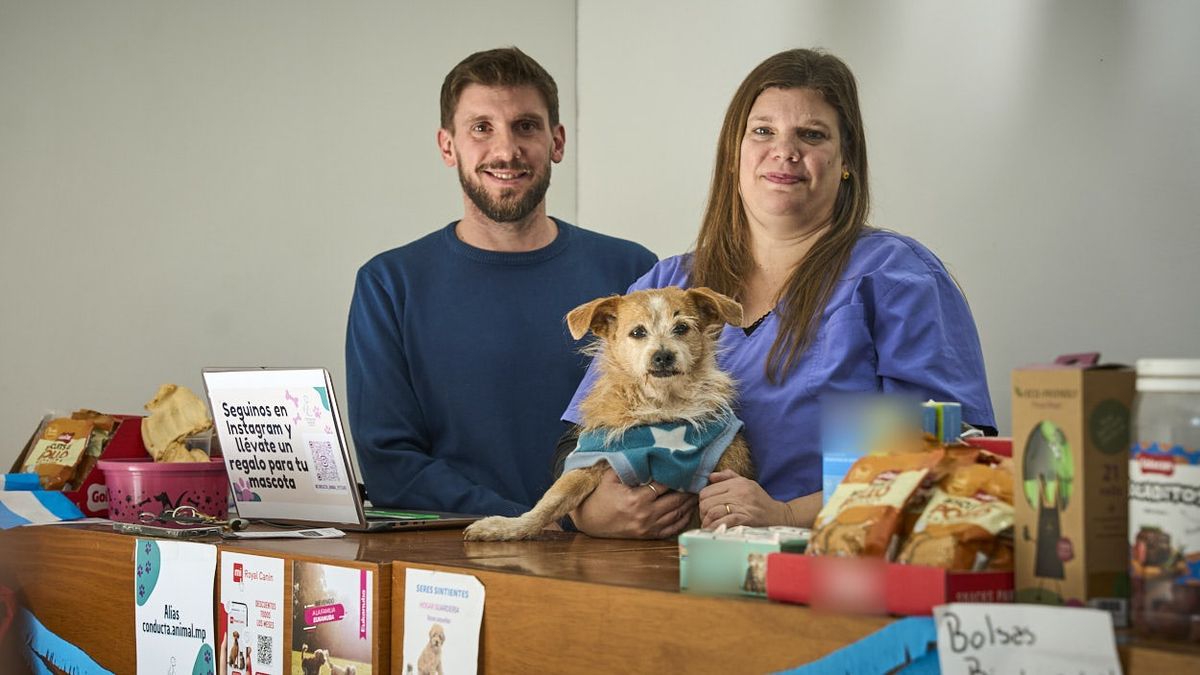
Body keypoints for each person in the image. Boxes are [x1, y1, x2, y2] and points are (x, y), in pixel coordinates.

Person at [561, 48, 995, 538]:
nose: (784, 152)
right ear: (734, 153)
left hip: (838, 567)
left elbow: (943, 456)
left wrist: (787, 515)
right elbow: (587, 441)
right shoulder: (669, 285)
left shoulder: (898, 278)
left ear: (846, 158)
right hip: (667, 570)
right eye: (763, 131)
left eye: (811, 135)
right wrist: (596, 514)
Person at [346, 47, 656, 516]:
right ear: (448, 145)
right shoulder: (390, 285)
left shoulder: (632, 271)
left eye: (526, 126)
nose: (506, 150)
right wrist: (541, 524)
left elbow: (670, 424)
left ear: (557, 141)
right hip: (453, 562)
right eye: (481, 128)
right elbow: (392, 464)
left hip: (613, 558)